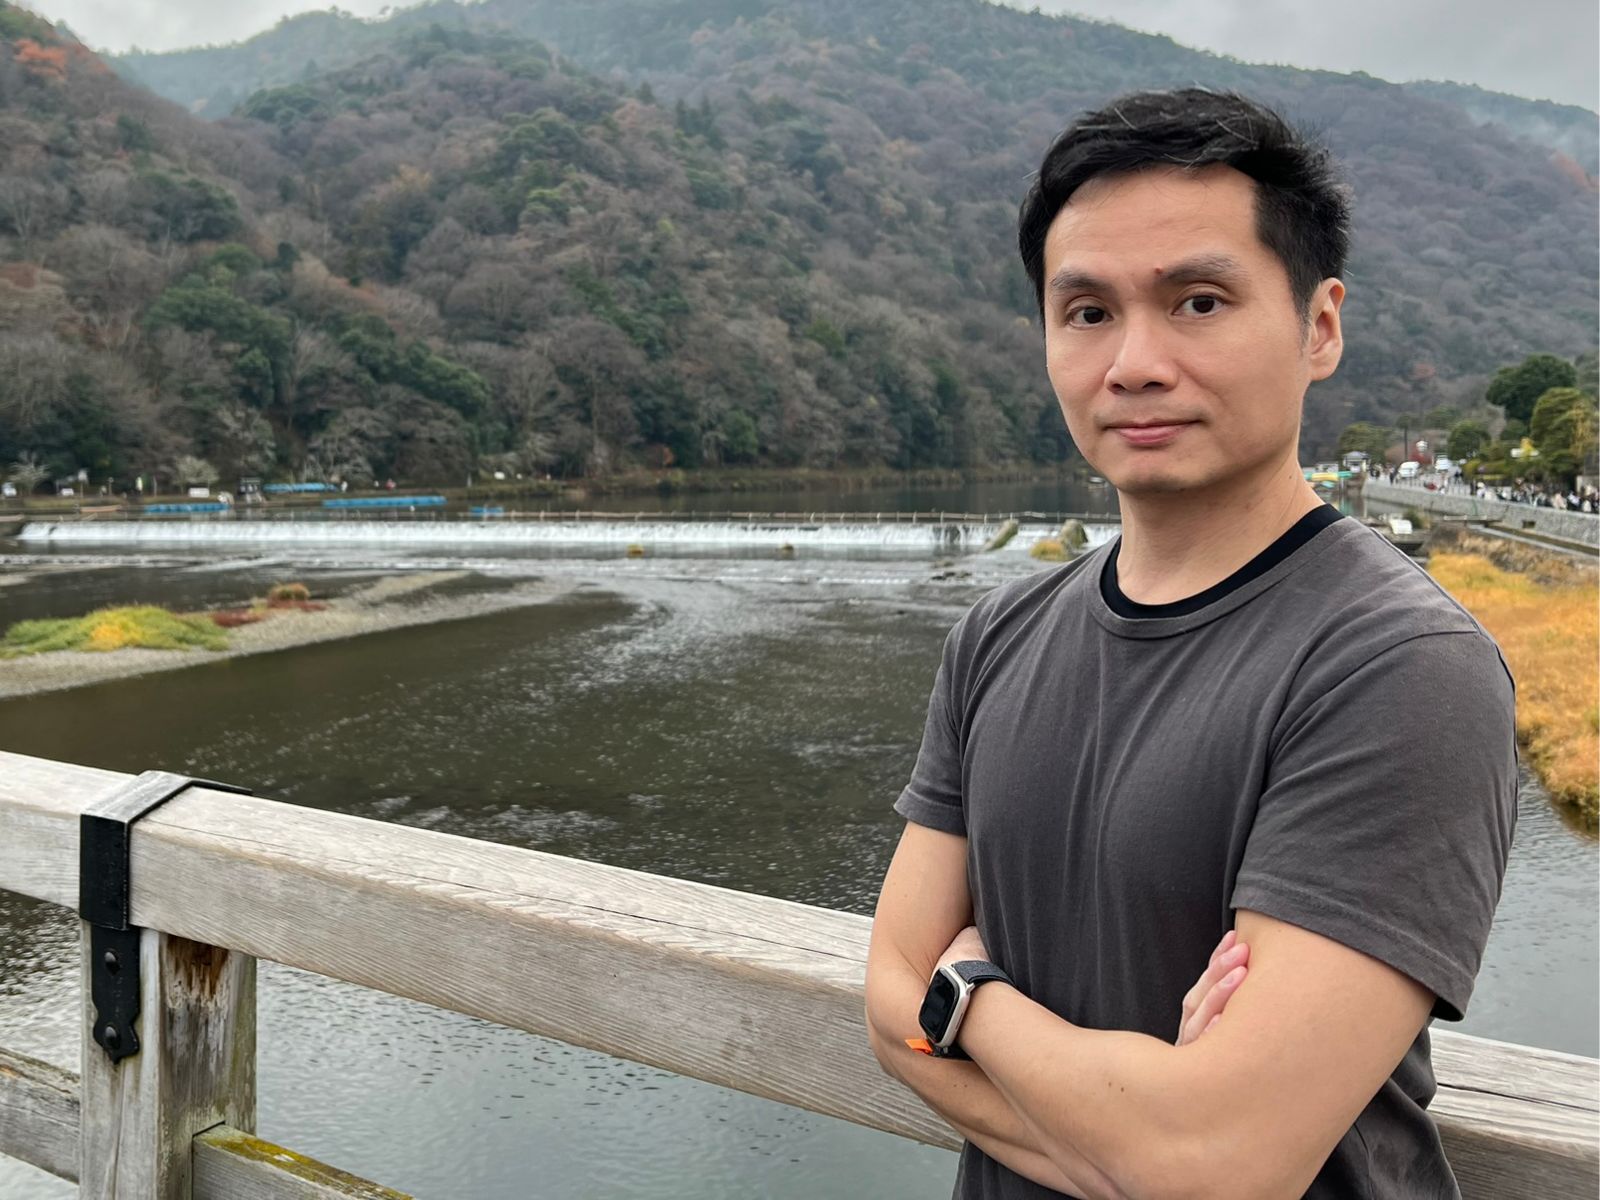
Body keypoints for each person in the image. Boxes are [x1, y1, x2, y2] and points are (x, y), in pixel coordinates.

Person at [864, 88, 1517, 1200]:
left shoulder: (1396, 665)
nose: (1134, 364)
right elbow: (884, 1003)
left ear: (1318, 326)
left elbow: (1218, 1165)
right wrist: (1144, 1138)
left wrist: (968, 996)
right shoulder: (997, 635)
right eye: (1086, 313)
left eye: (1199, 302)